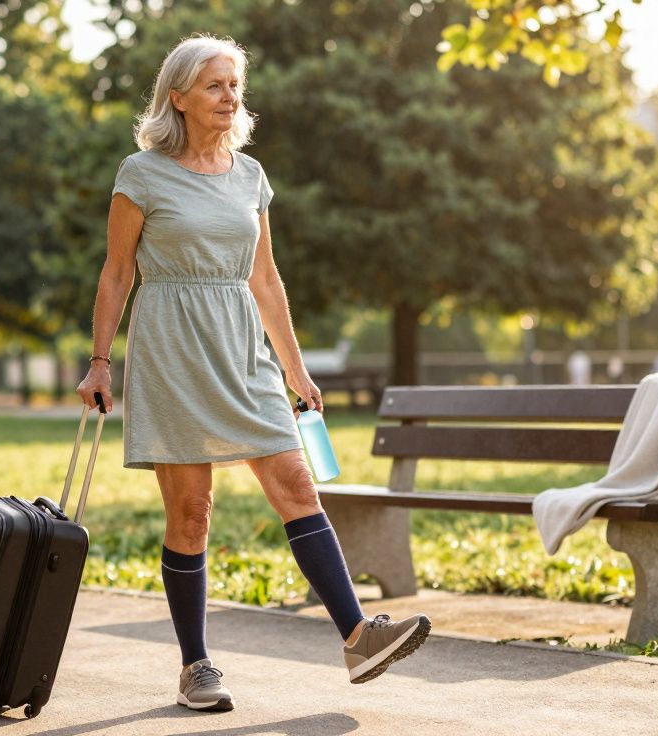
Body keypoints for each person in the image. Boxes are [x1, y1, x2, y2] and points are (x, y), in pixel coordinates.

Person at [75, 35, 430, 713]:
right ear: (176, 96)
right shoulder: (141, 174)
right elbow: (117, 273)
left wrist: (295, 369)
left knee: (297, 482)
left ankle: (357, 635)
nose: (230, 97)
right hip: (172, 348)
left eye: (234, 84)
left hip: (243, 347)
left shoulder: (250, 176)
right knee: (192, 512)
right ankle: (195, 665)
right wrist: (99, 361)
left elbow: (266, 279)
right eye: (214, 85)